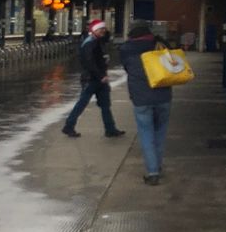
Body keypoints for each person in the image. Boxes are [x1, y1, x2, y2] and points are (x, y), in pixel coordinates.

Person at [119, 22, 173, 186]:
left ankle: (153, 172)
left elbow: (127, 68)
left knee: (146, 134)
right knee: (160, 133)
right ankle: (157, 165)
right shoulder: (160, 44)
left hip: (141, 98)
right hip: (163, 95)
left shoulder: (126, 49)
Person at [62, 20, 125, 139]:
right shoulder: (90, 43)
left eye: (104, 29)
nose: (104, 31)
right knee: (82, 104)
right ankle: (69, 126)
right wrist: (101, 76)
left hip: (99, 79)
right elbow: (89, 63)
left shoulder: (98, 42)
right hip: (91, 79)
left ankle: (110, 129)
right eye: (101, 29)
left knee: (105, 105)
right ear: (95, 30)